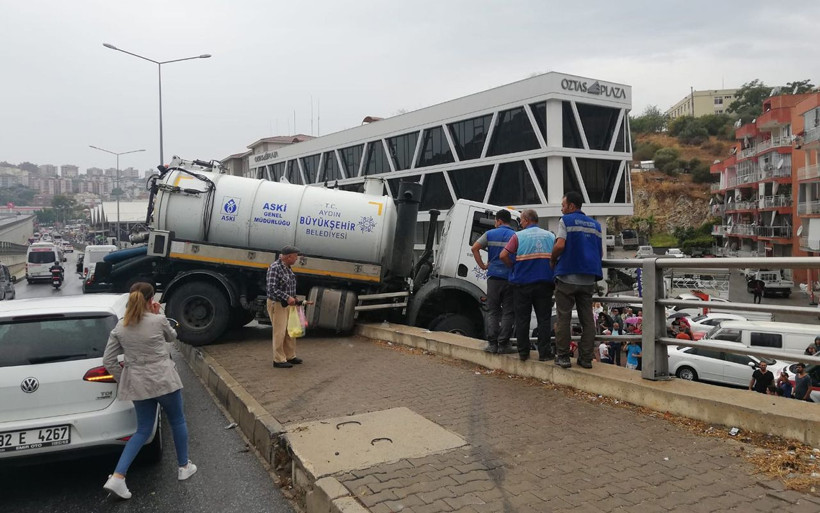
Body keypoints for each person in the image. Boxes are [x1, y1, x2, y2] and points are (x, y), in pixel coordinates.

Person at [102, 282, 196, 500]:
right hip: (163, 379)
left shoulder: (121, 326)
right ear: (150, 300)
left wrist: (124, 377)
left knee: (143, 429)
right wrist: (157, 314)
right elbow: (172, 337)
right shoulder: (157, 320)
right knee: (178, 421)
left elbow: (109, 360)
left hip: (138, 382)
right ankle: (183, 466)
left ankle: (117, 477)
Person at [550, 191, 603, 369]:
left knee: (564, 317)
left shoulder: (565, 220)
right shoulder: (596, 225)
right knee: (587, 319)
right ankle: (586, 358)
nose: (562, 209)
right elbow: (599, 252)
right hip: (588, 278)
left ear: (572, 206)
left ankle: (563, 356)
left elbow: (559, 245)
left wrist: (552, 259)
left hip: (567, 276)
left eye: (563, 205)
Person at [500, 209, 555, 362]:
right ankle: (544, 353)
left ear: (525, 219)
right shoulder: (550, 236)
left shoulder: (518, 236)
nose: (521, 223)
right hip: (545, 283)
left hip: (522, 284)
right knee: (544, 319)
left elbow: (503, 255)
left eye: (521, 220)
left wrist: (513, 266)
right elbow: (557, 255)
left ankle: (523, 353)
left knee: (522, 319)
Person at [471, 209, 516, 354]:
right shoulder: (515, 235)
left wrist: (483, 266)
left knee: (493, 311)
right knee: (508, 312)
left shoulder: (490, 234)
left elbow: (474, 248)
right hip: (510, 278)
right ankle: (504, 344)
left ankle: (492, 344)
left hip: (493, 279)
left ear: (499, 221)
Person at [267, 246, 308, 369]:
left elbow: (289, 286)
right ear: (288, 256)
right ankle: (278, 359)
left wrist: (294, 299)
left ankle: (290, 356)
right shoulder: (275, 268)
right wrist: (287, 297)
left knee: (289, 331)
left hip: (289, 304)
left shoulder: (288, 268)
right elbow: (271, 289)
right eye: (295, 256)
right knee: (279, 332)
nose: (297, 259)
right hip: (278, 304)